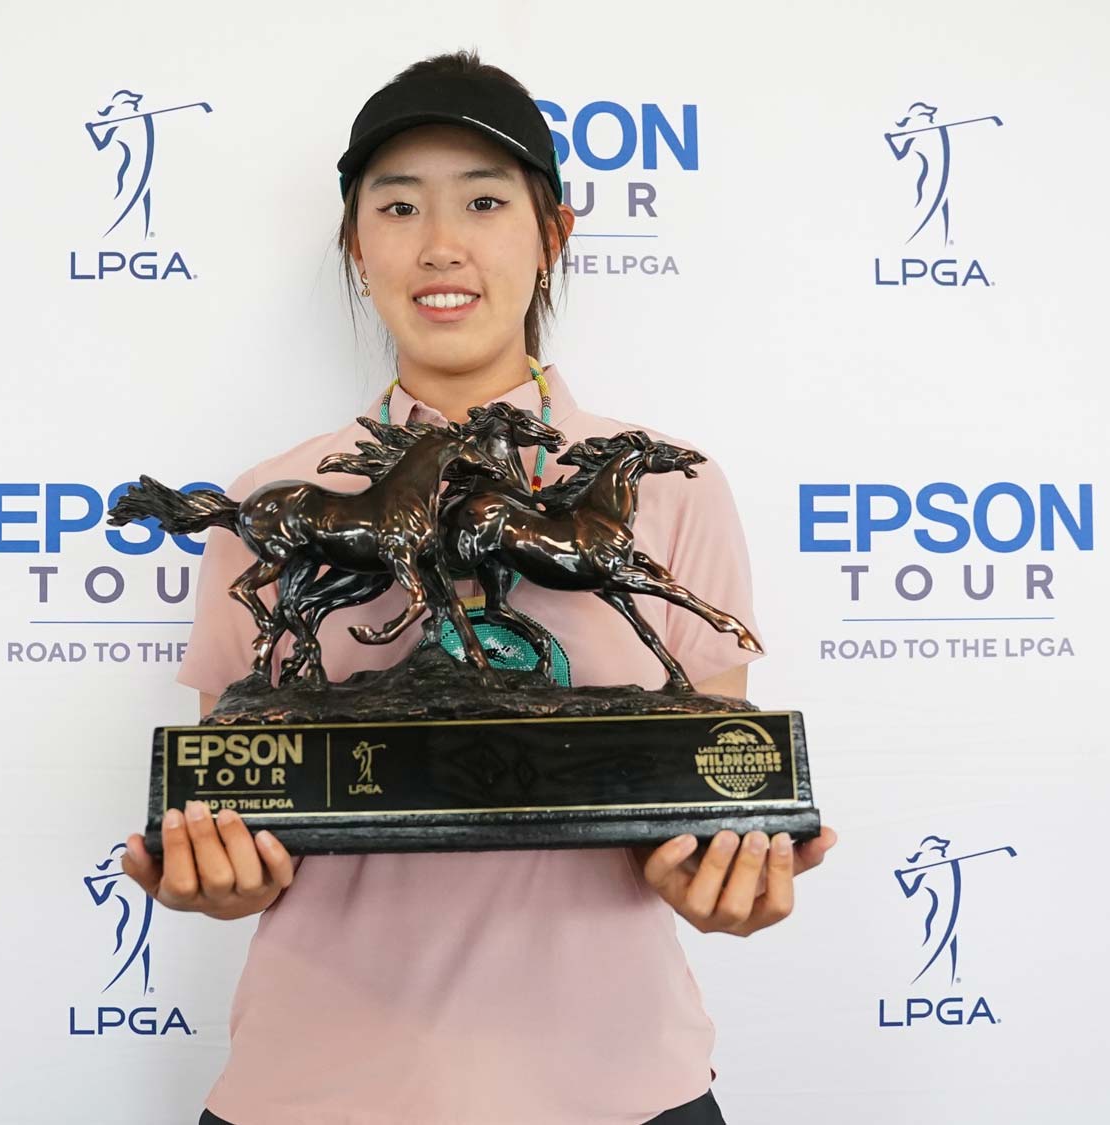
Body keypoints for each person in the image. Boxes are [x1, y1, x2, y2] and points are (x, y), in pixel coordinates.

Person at [118, 50, 839, 1124]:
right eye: (397, 206)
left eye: (485, 202)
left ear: (552, 238)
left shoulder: (669, 484)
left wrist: (719, 867)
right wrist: (222, 874)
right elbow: (235, 790)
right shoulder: (273, 495)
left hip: (616, 1087)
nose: (440, 244)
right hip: (313, 1088)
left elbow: (704, 782)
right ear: (355, 247)